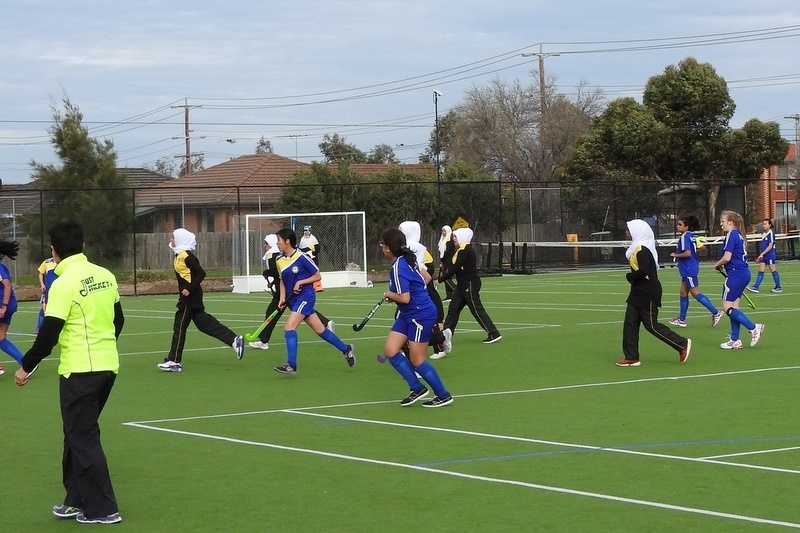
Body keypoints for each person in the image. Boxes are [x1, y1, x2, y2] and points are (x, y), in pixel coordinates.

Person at [15, 221, 125, 524]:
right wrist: (103, 348)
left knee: (83, 437)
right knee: (76, 433)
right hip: (107, 368)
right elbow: (119, 321)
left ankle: (104, 509)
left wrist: (26, 366)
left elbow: (49, 332)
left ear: (54, 251)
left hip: (80, 372)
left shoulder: (61, 284)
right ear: (84, 245)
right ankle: (75, 499)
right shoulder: (105, 275)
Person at [379, 228, 452, 407]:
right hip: (408, 314)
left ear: (388, 248)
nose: (381, 248)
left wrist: (389, 294)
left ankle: (443, 395)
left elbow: (404, 298)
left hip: (420, 314)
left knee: (417, 360)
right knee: (390, 350)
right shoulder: (407, 259)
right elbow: (426, 277)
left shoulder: (398, 267)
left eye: (382, 245)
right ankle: (417, 388)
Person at [158, 228, 244, 372]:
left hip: (189, 298)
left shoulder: (187, 256)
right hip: (191, 297)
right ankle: (234, 340)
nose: (171, 240)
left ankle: (174, 361)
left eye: (173, 237)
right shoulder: (179, 255)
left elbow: (201, 273)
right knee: (204, 324)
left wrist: (189, 289)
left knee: (179, 326)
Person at [273, 228, 354, 375]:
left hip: (306, 296)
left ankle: (291, 365)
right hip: (293, 300)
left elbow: (317, 276)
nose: (277, 243)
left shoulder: (301, 257)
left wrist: (301, 282)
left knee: (289, 327)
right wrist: (282, 298)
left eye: (278, 240)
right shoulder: (279, 259)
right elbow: (282, 281)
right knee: (320, 330)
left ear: (287, 241)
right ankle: (346, 349)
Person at [617, 220, 692, 367]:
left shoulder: (642, 250)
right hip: (637, 292)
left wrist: (630, 277)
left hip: (647, 292)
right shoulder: (637, 248)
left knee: (651, 325)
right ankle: (631, 356)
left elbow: (645, 271)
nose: (626, 232)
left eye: (629, 230)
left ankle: (681, 344)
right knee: (630, 324)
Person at [249, 233, 335, 350]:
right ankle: (325, 323)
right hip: (285, 291)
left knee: (276, 314)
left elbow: (280, 274)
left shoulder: (273, 255)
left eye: (266, 243)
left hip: (284, 292)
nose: (265, 246)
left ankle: (264, 341)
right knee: (303, 312)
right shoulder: (278, 255)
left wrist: (269, 275)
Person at [436, 227, 502, 347]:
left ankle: (493, 333)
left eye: (455, 237)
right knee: (453, 309)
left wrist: (439, 280)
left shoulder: (465, 250)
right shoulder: (461, 249)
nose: (453, 239)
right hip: (462, 285)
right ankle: (445, 336)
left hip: (469, 284)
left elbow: (455, 268)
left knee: (476, 309)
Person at [716, 210, 765, 350]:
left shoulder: (732, 234)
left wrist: (718, 264)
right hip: (743, 273)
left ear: (730, 222)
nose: (721, 224)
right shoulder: (739, 235)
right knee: (734, 307)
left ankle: (753, 327)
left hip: (736, 275)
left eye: (723, 221)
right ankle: (735, 339)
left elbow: (727, 257)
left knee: (726, 308)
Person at [398, 221, 446, 358]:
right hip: (418, 281)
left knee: (412, 319)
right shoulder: (411, 245)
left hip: (417, 283)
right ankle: (438, 342)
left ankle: (437, 342)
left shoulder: (412, 246)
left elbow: (424, 270)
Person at [667, 215, 724, 328]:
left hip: (689, 269)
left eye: (680, 225)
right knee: (683, 292)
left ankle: (715, 312)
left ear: (686, 226)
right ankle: (682, 319)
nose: (677, 226)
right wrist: (693, 252)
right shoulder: (691, 236)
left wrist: (676, 255)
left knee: (695, 293)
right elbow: (700, 249)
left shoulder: (685, 237)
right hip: (688, 268)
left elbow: (687, 253)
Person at [0, 240, 25, 376]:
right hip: (8, 305)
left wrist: (3, 307)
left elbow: (7, 285)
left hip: (4, 306)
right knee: (1, 339)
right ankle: (26, 364)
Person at [747, 218, 782, 294]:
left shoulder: (771, 233)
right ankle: (756, 287)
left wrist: (762, 254)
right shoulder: (764, 233)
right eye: (763, 224)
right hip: (764, 255)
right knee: (761, 270)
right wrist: (761, 255)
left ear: (769, 225)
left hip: (770, 255)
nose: (764, 225)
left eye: (765, 224)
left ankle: (778, 287)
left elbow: (770, 246)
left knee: (773, 270)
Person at [35, 256, 57, 333]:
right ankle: (40, 326)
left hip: (59, 289)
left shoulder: (63, 261)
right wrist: (42, 284)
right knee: (45, 308)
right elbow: (41, 273)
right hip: (48, 289)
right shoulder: (47, 262)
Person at [298, 225, 323, 292]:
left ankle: (318, 286)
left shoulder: (313, 239)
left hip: (313, 258)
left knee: (315, 271)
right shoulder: (302, 239)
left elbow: (317, 249)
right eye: (305, 231)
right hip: (306, 258)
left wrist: (313, 253)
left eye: (307, 231)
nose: (306, 232)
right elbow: (301, 249)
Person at [438, 225, 456, 302]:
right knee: (447, 278)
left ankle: (456, 291)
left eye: (444, 231)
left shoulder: (450, 242)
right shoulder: (442, 241)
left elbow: (447, 253)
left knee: (446, 278)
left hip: (449, 262)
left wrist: (442, 260)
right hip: (444, 262)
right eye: (442, 231)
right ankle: (449, 295)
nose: (443, 233)